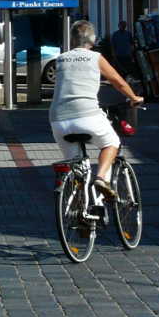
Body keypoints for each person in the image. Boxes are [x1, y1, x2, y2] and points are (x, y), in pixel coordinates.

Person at [49, 20, 144, 201]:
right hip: (87, 116)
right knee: (112, 143)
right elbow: (118, 81)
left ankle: (79, 210)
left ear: (72, 40)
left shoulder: (61, 59)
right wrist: (134, 98)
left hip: (58, 120)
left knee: (75, 167)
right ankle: (101, 179)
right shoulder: (95, 57)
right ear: (92, 41)